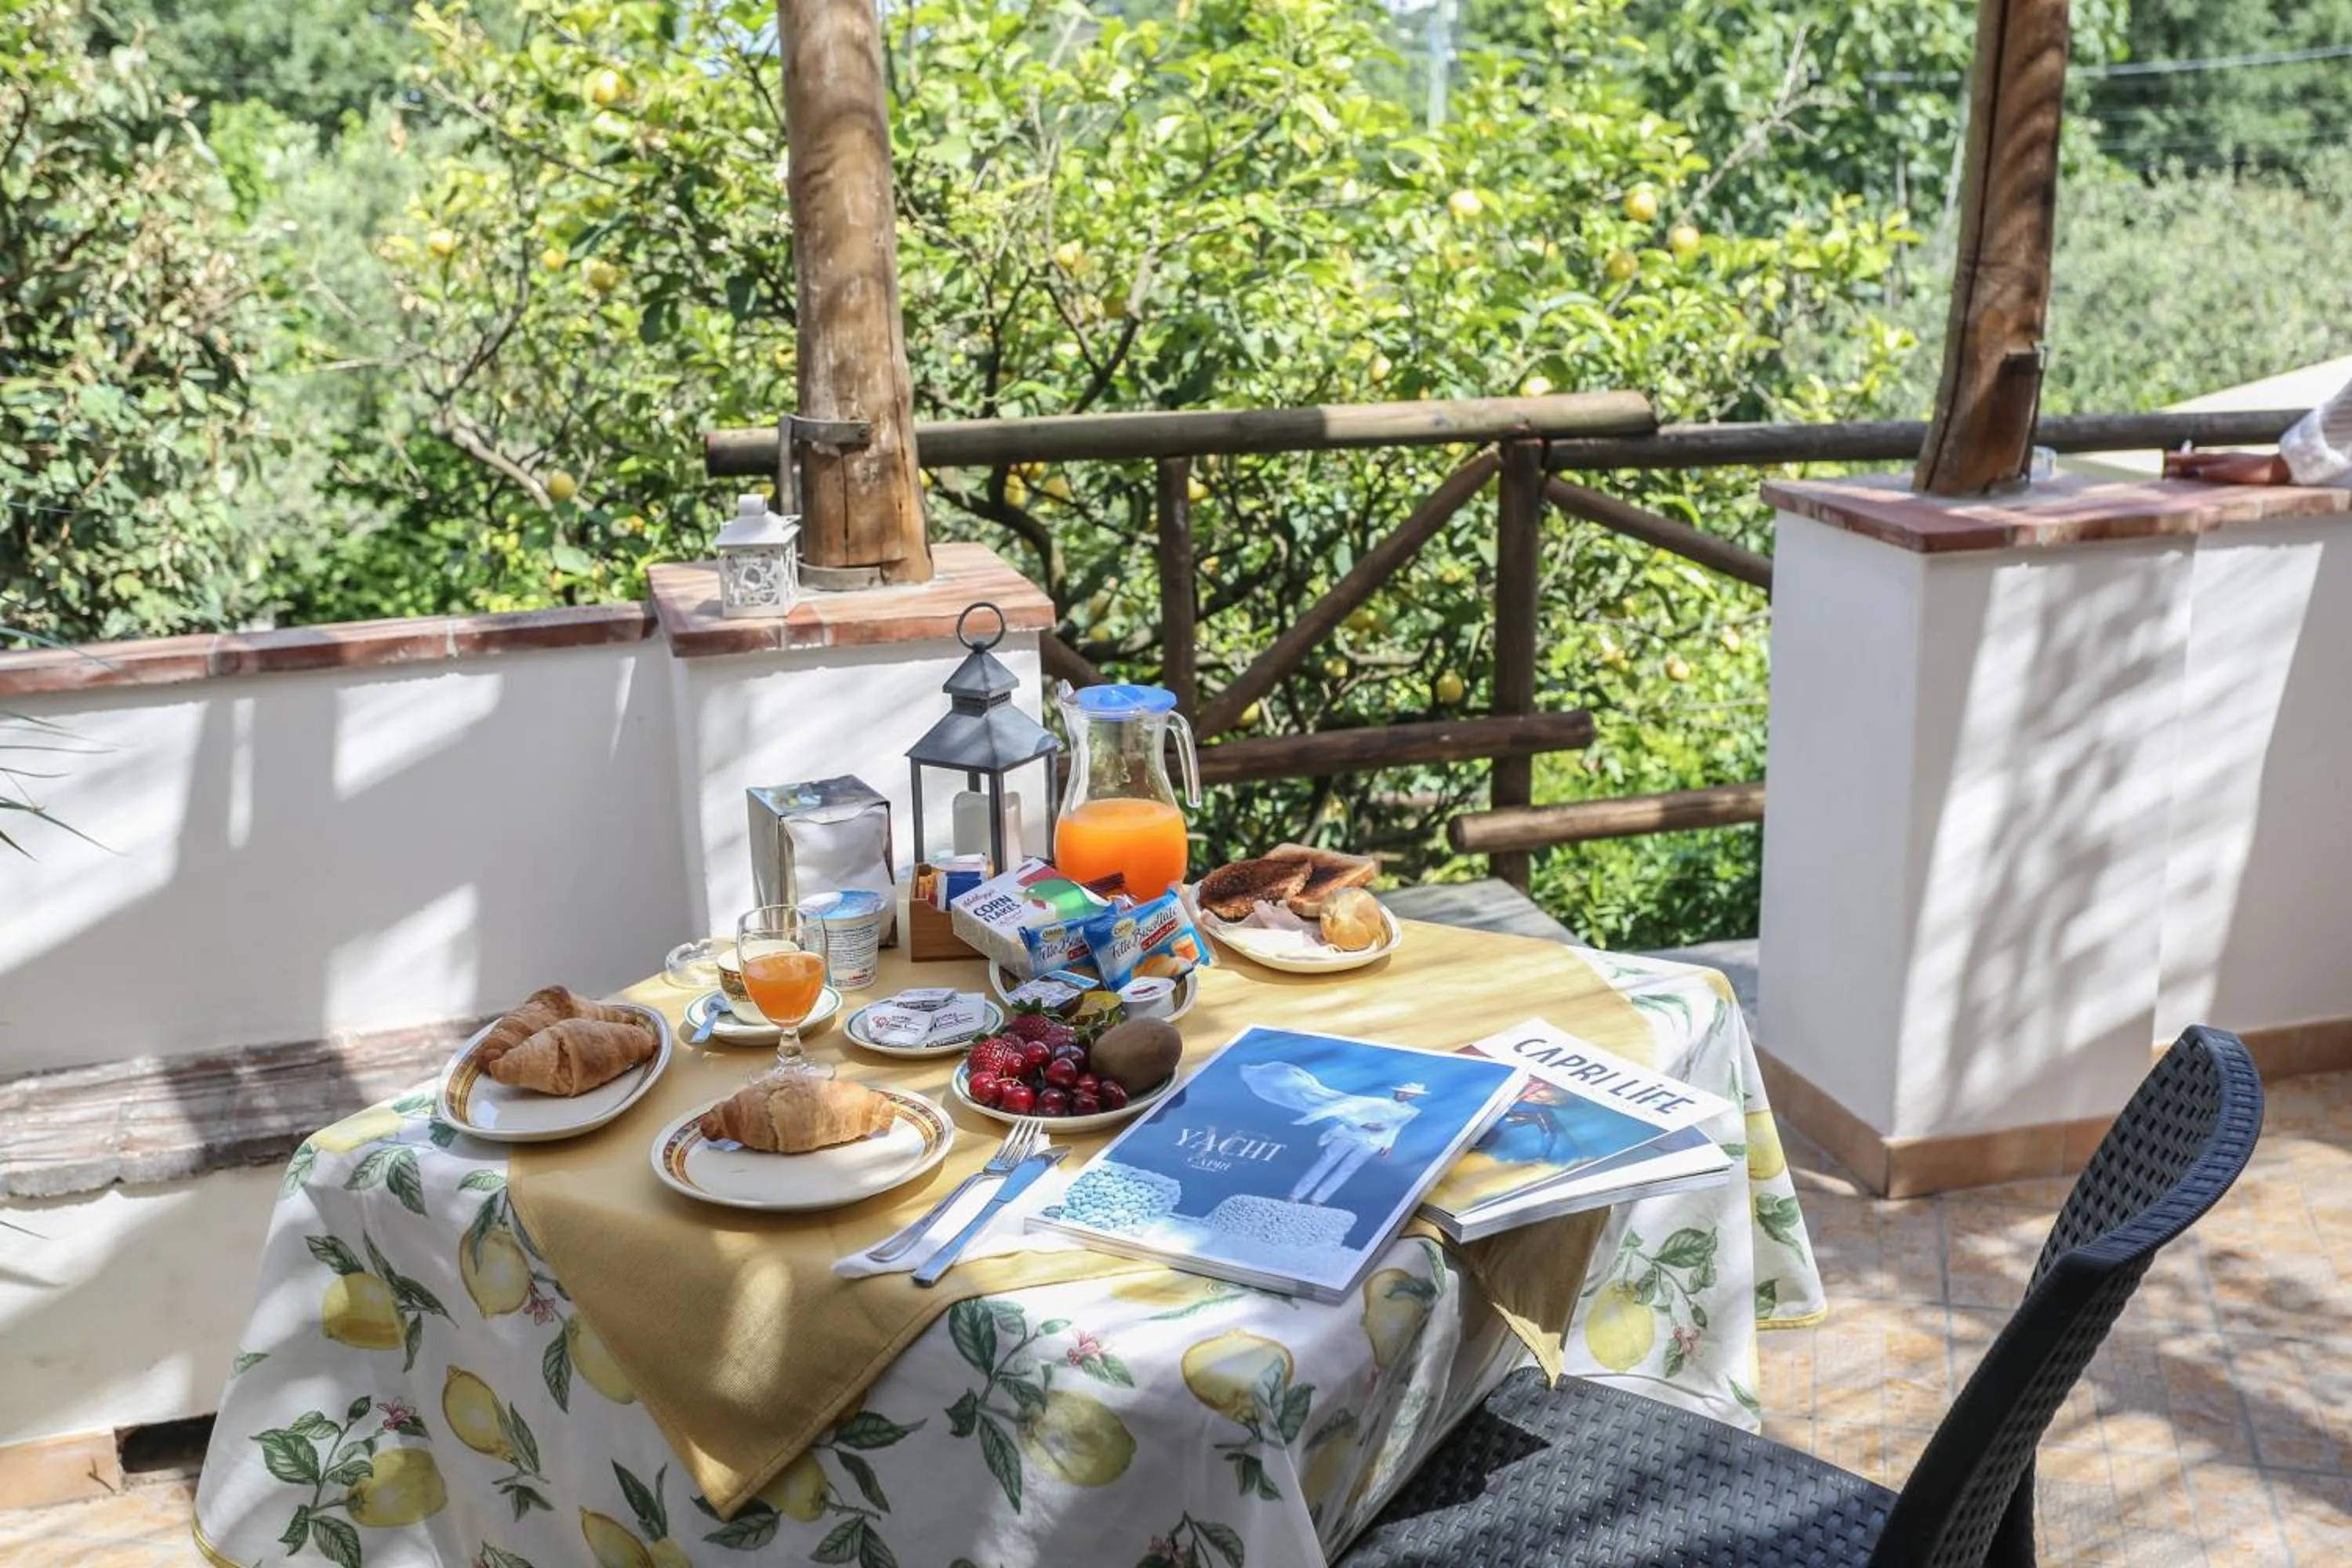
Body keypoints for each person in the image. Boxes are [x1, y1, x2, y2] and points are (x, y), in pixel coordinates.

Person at [2164, 376, 2352, 488]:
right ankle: (2194, 469)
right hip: (2327, 438)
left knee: (2272, 465)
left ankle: (2188, 463)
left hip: (2329, 433)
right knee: (2274, 469)